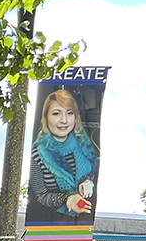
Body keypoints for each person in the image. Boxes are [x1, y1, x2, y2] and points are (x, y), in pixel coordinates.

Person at [28, 88, 99, 223]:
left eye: (69, 113)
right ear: (46, 117)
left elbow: (92, 171)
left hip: (85, 219)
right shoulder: (37, 154)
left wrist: (86, 180)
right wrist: (68, 198)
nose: (64, 120)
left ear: (75, 117)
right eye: (56, 113)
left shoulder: (85, 144)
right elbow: (42, 196)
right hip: (51, 222)